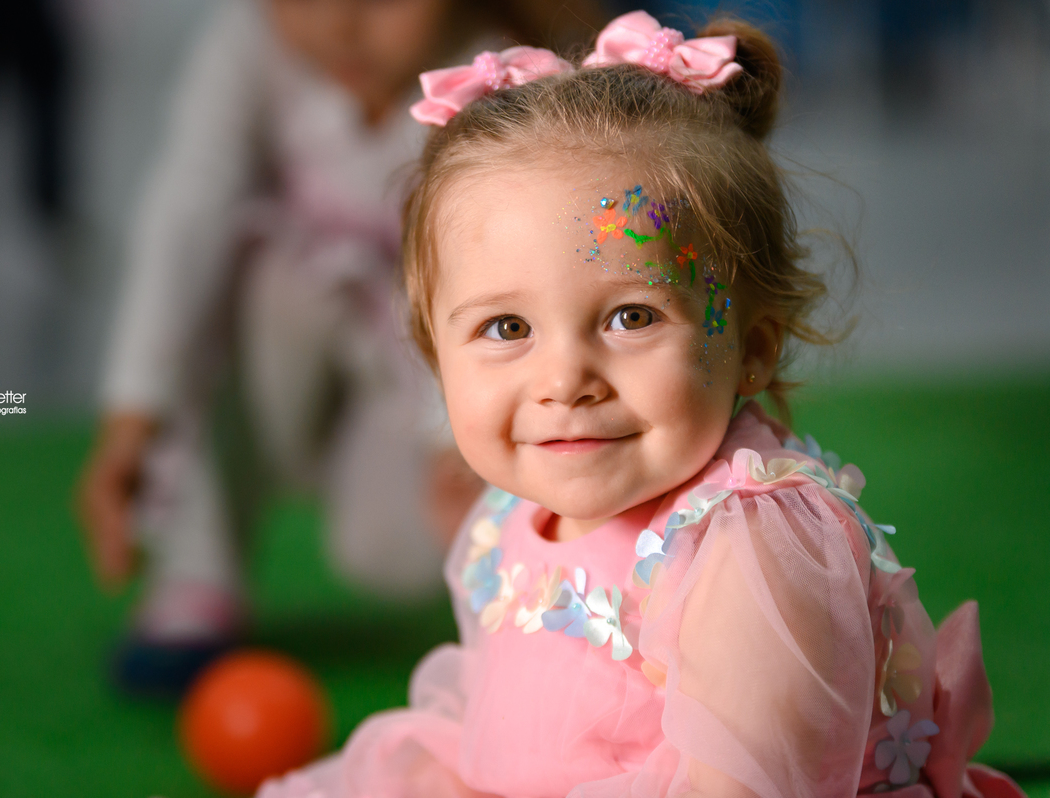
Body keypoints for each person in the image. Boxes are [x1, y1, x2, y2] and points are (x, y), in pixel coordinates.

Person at [257, 11, 1028, 798]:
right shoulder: (510, 511)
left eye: (632, 317)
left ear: (753, 346)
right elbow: (504, 731)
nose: (565, 380)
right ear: (433, 353)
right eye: (506, 327)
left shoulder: (748, 547)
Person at [76, 0, 601, 694]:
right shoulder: (249, 49)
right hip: (272, 360)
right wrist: (133, 413)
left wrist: (458, 435)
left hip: (416, 378)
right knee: (254, 275)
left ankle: (517, 586)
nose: (341, 23)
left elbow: (519, 291)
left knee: (387, 555)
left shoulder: (497, 75)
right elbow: (185, 215)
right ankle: (197, 575)